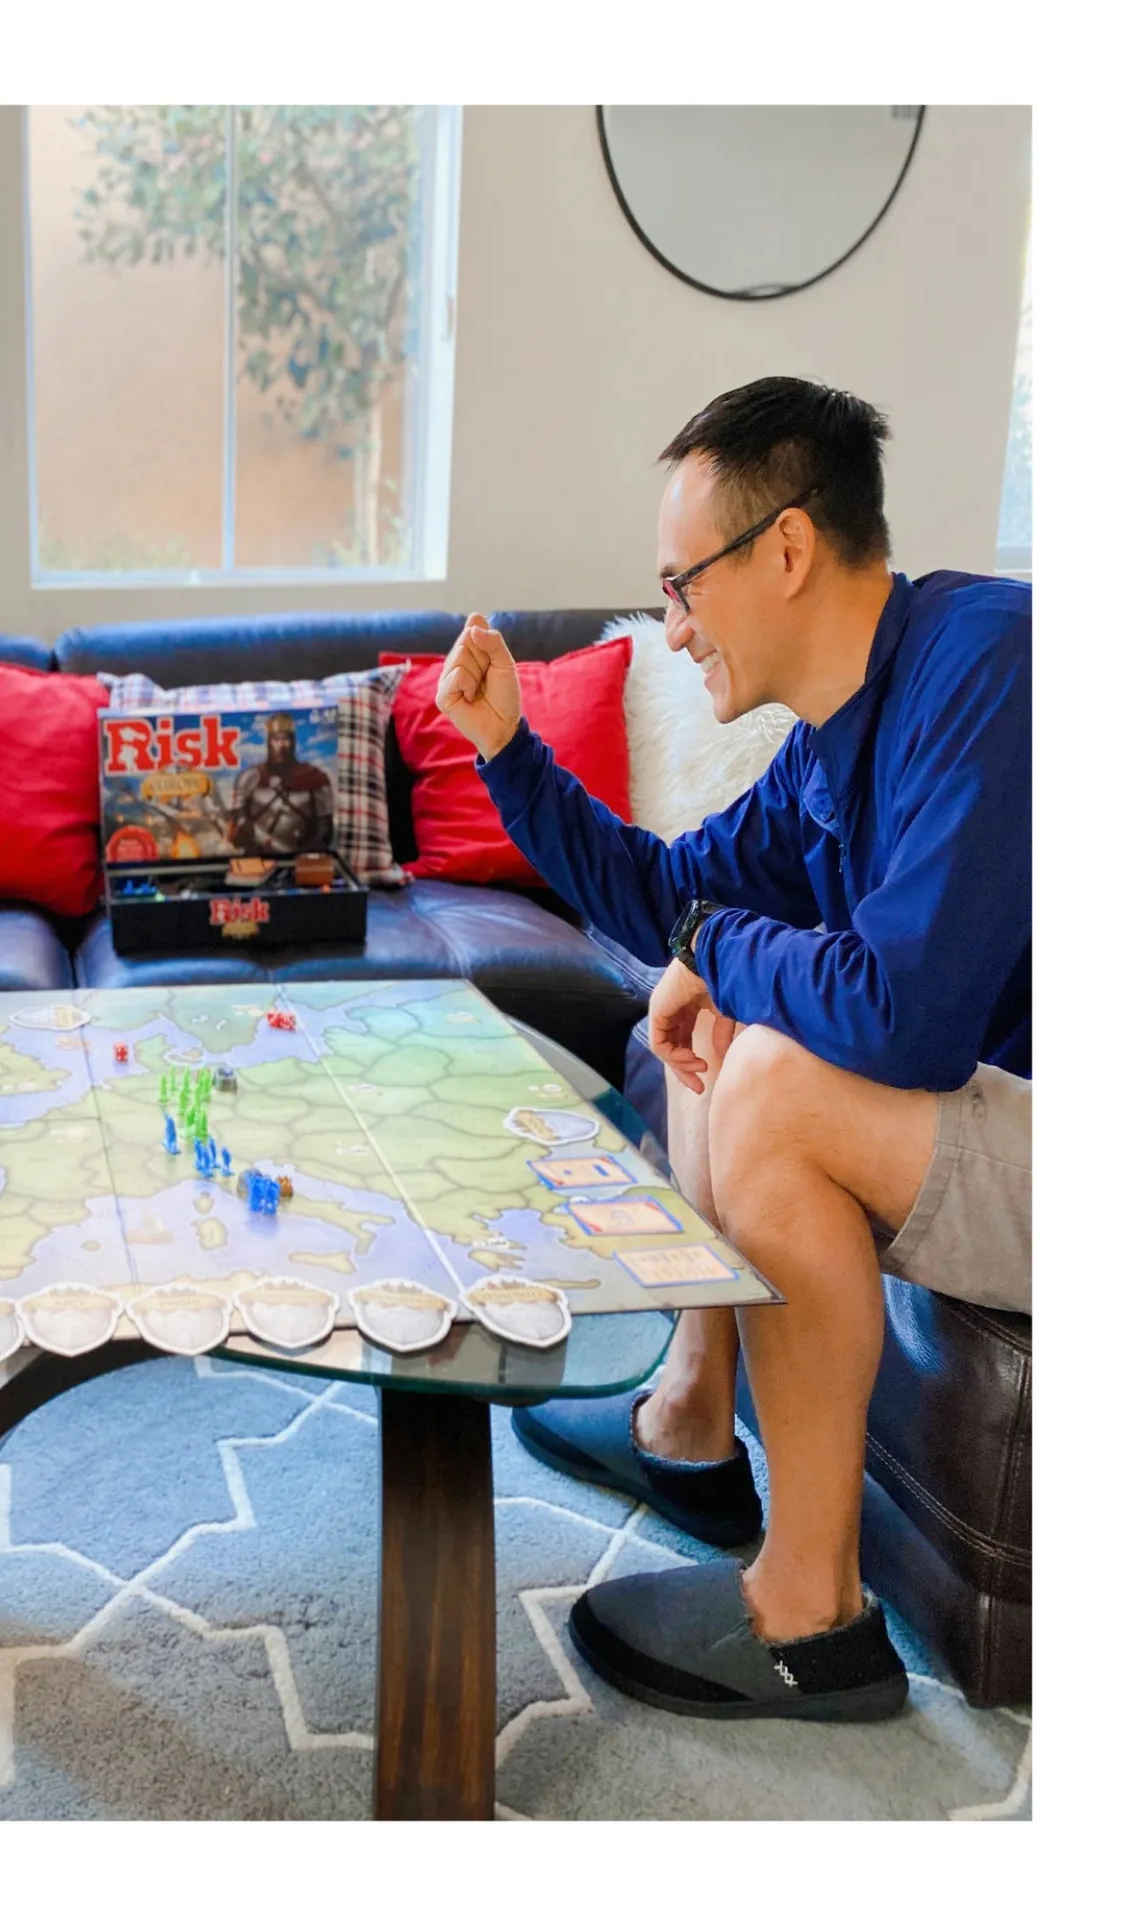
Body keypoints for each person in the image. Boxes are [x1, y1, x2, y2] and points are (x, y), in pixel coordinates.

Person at [436, 377, 1030, 1723]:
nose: (672, 625)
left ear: (787, 547)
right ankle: (694, 1425)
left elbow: (906, 1017)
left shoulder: (990, 663)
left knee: (761, 1055)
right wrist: (509, 750)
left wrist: (717, 947)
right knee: (729, 1016)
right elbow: (667, 898)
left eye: (681, 584)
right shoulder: (828, 746)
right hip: (1006, 1123)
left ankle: (812, 1614)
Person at [227, 711, 335, 854]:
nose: (281, 745)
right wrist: (250, 834)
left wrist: (309, 854)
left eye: (286, 739)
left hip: (300, 856)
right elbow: (238, 815)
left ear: (293, 742)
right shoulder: (249, 777)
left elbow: (325, 827)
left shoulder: (315, 777)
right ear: (269, 742)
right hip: (258, 855)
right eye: (276, 740)